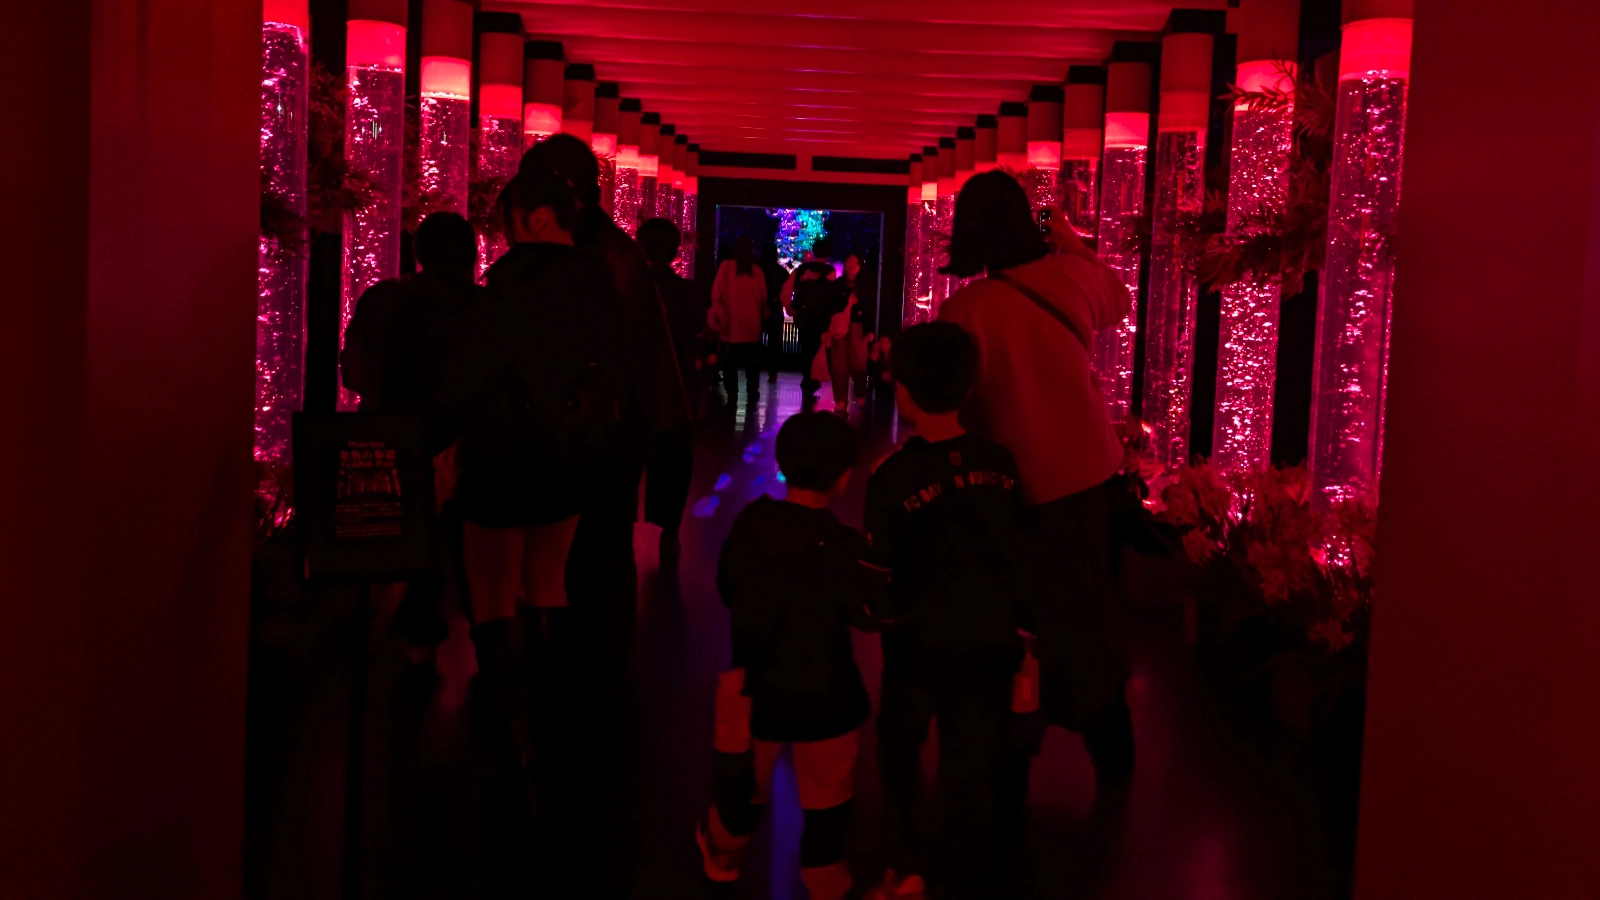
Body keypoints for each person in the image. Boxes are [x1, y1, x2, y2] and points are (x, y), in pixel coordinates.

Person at [434, 164, 626, 810]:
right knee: (549, 581)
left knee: (492, 596)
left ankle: (511, 739)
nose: (505, 233)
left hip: (502, 456)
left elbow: (468, 377)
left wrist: (442, 441)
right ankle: (552, 725)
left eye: (509, 220)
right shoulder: (603, 283)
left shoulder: (509, 286)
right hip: (572, 457)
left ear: (538, 218)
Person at [935, 170, 1136, 790]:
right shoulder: (1072, 279)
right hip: (1089, 474)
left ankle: (1017, 733)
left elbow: (959, 405)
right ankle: (1109, 737)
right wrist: (1068, 240)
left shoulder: (965, 309)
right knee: (1089, 610)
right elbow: (1119, 297)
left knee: (1018, 614)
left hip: (1013, 487)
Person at [517, 135, 689, 705]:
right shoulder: (610, 249)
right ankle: (599, 668)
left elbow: (604, 352)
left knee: (590, 548)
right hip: (615, 425)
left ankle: (586, 670)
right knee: (599, 548)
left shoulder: (595, 254)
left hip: (598, 429)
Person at [863, 322, 1027, 900]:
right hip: (989, 638)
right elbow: (1017, 550)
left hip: (916, 642)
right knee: (974, 754)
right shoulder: (1002, 463)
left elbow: (879, 567)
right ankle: (966, 870)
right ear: (969, 387)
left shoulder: (893, 475)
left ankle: (906, 861)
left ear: (902, 390)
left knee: (901, 747)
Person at [697, 412, 885, 900]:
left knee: (742, 786)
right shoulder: (841, 546)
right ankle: (825, 880)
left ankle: (722, 853)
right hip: (828, 696)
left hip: (754, 689)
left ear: (782, 463)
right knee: (828, 799)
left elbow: (727, 588)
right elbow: (867, 612)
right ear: (845, 476)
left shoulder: (751, 524)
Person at [341, 211, 480, 666]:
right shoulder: (482, 306)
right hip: (462, 446)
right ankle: (482, 646)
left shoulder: (382, 297)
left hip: (387, 437)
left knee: (396, 543)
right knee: (464, 549)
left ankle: (388, 640)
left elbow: (354, 371)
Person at [638, 217, 707, 560]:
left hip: (635, 385)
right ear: (677, 250)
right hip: (677, 383)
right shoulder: (686, 291)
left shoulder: (631, 290)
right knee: (675, 458)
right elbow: (697, 329)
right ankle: (670, 529)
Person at [709, 236, 768, 404]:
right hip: (752, 324)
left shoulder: (726, 267)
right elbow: (764, 296)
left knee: (730, 363)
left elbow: (716, 293)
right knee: (752, 363)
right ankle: (752, 390)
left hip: (730, 325)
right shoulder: (756, 270)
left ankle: (732, 392)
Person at [782, 238, 844, 396]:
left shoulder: (801, 269)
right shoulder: (830, 271)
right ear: (828, 254)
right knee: (815, 348)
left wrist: (790, 306)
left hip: (802, 315)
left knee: (805, 346)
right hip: (820, 316)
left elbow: (787, 289)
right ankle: (810, 380)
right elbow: (830, 294)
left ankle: (808, 379)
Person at [826, 253, 875, 410]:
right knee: (839, 365)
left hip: (858, 327)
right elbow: (831, 307)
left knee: (858, 363)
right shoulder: (838, 285)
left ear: (860, 266)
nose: (851, 266)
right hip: (840, 327)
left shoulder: (865, 287)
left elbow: (870, 310)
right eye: (848, 262)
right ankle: (841, 399)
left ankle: (860, 391)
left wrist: (869, 329)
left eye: (855, 263)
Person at [759, 241, 789, 383]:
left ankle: (755, 370)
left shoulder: (757, 270)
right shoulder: (781, 272)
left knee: (755, 341)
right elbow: (787, 290)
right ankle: (773, 372)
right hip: (776, 309)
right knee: (775, 343)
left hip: (757, 308)